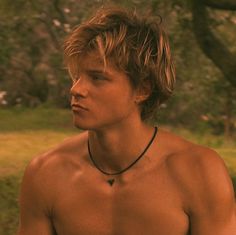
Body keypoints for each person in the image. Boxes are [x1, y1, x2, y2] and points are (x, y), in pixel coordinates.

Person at [17, 5, 236, 235]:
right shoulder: (46, 173)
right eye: (77, 76)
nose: (76, 89)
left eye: (97, 78)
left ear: (142, 89)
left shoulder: (199, 172)